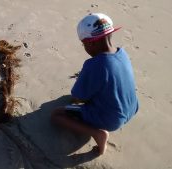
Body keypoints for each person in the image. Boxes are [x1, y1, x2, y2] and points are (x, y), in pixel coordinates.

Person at [51, 13, 139, 155]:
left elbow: (78, 98)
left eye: (83, 44)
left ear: (90, 43)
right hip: (132, 107)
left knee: (56, 115)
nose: (84, 47)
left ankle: (97, 134)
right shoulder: (123, 53)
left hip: (111, 119)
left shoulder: (94, 65)